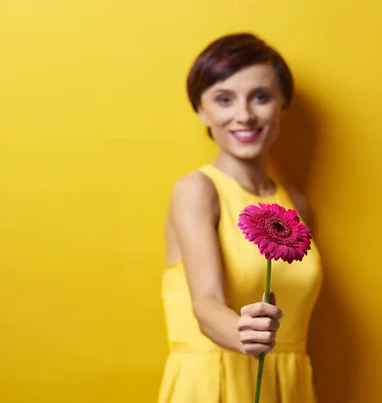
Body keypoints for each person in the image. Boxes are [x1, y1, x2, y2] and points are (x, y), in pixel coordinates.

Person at [158, 32, 323, 403]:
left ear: (282, 106)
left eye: (260, 97)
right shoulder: (197, 190)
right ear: (201, 110)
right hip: (215, 385)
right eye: (224, 99)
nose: (244, 115)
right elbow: (205, 303)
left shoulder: (297, 204)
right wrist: (244, 334)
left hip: (289, 386)